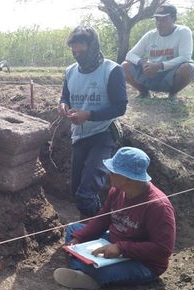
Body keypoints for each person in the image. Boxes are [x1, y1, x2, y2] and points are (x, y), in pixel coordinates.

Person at [54, 147, 176, 289]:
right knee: (74, 229)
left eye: (113, 172)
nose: (108, 174)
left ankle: (88, 273)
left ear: (128, 179)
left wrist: (121, 248)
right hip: (114, 241)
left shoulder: (158, 207)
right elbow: (103, 219)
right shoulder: (117, 191)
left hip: (144, 262)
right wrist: (79, 238)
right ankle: (85, 269)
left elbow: (163, 250)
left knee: (103, 271)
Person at [58, 26, 127, 219]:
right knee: (76, 192)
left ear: (93, 47)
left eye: (82, 51)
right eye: (74, 51)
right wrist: (63, 105)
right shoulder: (71, 71)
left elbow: (120, 107)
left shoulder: (112, 70)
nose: (77, 55)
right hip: (79, 135)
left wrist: (88, 115)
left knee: (85, 193)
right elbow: (65, 96)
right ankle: (91, 227)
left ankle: (95, 232)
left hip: (103, 135)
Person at [122, 4, 194, 100]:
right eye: (157, 19)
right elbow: (130, 55)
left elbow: (185, 57)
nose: (159, 23)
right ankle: (144, 93)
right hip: (150, 75)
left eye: (164, 19)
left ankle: (172, 94)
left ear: (174, 19)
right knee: (124, 66)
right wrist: (143, 63)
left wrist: (159, 66)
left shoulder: (183, 32)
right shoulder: (150, 35)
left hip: (170, 75)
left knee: (188, 68)